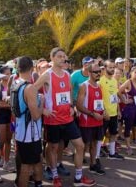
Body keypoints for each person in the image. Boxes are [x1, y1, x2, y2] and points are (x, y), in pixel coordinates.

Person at [33, 47, 96, 187]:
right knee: (53, 147)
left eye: (64, 57)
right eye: (59, 56)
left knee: (79, 145)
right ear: (52, 58)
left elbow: (69, 93)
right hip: (53, 119)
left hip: (67, 118)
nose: (63, 59)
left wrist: (72, 107)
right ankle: (55, 175)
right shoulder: (47, 75)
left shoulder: (67, 75)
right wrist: (42, 109)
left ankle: (79, 178)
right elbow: (32, 90)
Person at [14, 56, 44, 187]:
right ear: (32, 69)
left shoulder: (16, 84)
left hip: (21, 131)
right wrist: (41, 102)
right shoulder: (30, 88)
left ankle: (38, 183)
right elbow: (36, 115)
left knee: (35, 161)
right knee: (26, 167)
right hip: (29, 134)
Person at [76, 63, 106, 175]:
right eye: (96, 72)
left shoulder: (99, 86)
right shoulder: (84, 86)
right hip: (87, 122)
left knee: (94, 144)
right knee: (83, 146)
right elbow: (79, 105)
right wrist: (93, 114)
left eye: (99, 71)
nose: (99, 73)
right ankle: (79, 171)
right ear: (89, 73)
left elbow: (99, 103)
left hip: (98, 121)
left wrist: (104, 111)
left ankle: (93, 165)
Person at [98, 59, 124, 160]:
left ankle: (112, 153)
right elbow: (99, 99)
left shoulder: (114, 80)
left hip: (114, 113)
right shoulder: (100, 81)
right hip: (105, 114)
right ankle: (97, 154)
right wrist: (104, 111)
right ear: (104, 68)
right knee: (101, 135)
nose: (112, 69)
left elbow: (115, 96)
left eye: (113, 67)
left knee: (113, 133)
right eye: (110, 67)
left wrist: (118, 111)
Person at [0, 66, 15, 174]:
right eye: (6, 73)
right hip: (0, 116)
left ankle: (6, 163)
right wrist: (7, 105)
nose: (9, 75)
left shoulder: (13, 86)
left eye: (10, 73)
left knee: (8, 140)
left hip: (10, 116)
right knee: (0, 142)